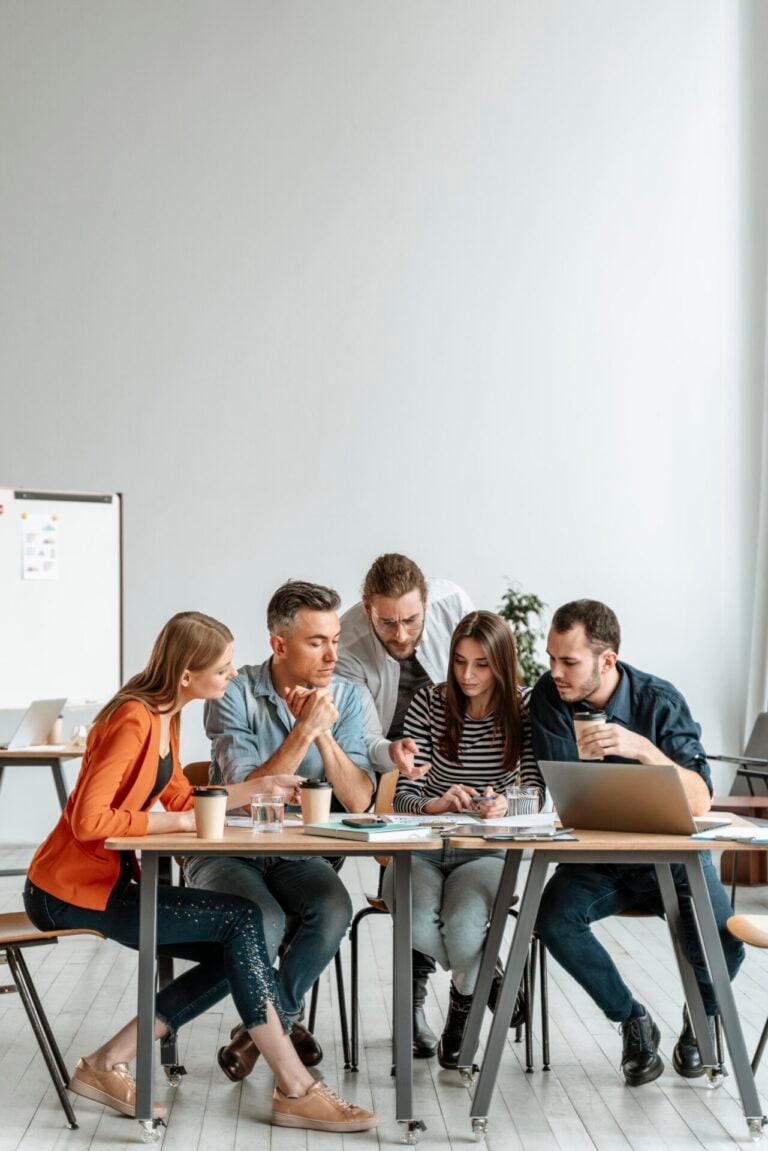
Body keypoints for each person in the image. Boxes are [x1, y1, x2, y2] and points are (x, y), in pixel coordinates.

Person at [23, 611, 375, 1132]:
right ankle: (296, 1086)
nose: (234, 676)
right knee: (242, 923)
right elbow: (90, 820)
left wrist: (256, 789)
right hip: (68, 890)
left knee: (241, 938)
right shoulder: (132, 719)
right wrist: (184, 820)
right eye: (225, 668)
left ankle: (107, 1061)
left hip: (107, 884)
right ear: (187, 674)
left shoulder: (164, 716)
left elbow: (183, 795)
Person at [530, 599, 744, 1087]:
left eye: (569, 661)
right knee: (553, 921)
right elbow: (562, 791)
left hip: (671, 858)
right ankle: (632, 1020)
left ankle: (699, 1018)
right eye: (551, 658)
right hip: (598, 859)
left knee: (725, 944)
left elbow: (701, 800)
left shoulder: (658, 700)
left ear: (607, 661)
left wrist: (643, 749)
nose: (555, 672)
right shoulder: (549, 697)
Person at [185, 582, 375, 1081]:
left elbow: (358, 799)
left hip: (296, 852)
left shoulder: (348, 697)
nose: (333, 653)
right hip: (227, 849)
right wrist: (302, 730)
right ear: (279, 644)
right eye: (317, 641)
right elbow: (241, 789)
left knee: (334, 908)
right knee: (261, 917)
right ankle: (283, 1029)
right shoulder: (234, 691)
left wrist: (325, 730)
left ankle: (263, 1029)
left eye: (335, 638)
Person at [381, 610, 543, 1068]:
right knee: (412, 918)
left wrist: (504, 806)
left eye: (481, 664)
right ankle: (489, 977)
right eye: (459, 662)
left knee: (466, 924)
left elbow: (535, 793)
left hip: (486, 850)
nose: (467, 676)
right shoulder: (429, 703)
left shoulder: (524, 708)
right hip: (424, 847)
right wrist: (436, 804)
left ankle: (461, 1013)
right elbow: (404, 796)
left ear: (502, 664)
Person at [336, 553, 474, 1057]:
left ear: (427, 605)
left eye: (410, 620)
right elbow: (362, 734)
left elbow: (482, 677)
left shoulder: (454, 603)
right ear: (368, 609)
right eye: (387, 623)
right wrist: (392, 757)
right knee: (409, 878)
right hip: (390, 766)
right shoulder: (348, 640)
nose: (399, 634)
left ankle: (474, 984)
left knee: (446, 881)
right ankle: (418, 1007)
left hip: (458, 755)